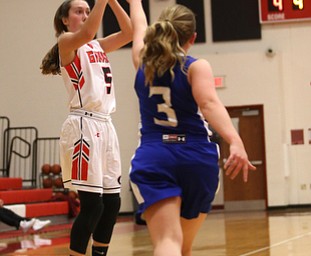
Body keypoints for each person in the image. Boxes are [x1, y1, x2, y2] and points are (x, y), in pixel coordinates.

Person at [126, 1, 256, 256]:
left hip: (156, 155)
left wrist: (134, 2)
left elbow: (138, 26)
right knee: (183, 247)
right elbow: (209, 104)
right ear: (192, 38)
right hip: (196, 157)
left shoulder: (142, 61)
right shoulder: (196, 66)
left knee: (168, 243)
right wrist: (235, 140)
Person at [40, 0, 132, 255]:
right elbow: (89, 32)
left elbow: (130, 33)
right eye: (78, 11)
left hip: (106, 124)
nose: (84, 15)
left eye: (87, 11)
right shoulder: (67, 41)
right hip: (83, 126)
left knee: (112, 203)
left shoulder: (97, 46)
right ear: (65, 20)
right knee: (93, 206)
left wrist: (112, 2)